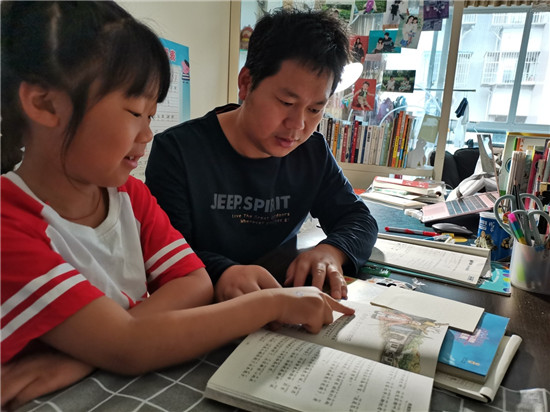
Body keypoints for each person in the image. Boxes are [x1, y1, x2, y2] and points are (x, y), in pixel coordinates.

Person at [0, 2, 354, 409]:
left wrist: (92, 351)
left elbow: (194, 283)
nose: (147, 134)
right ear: (45, 105)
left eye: (151, 115)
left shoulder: (129, 196)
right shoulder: (10, 222)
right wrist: (270, 304)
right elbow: (128, 345)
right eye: (136, 112)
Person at [146, 8, 378, 303]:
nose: (298, 125)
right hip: (206, 307)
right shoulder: (178, 152)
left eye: (314, 109)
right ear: (246, 83)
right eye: (286, 102)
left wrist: (332, 251)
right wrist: (224, 272)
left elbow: (358, 219)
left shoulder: (311, 151)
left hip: (285, 302)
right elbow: (167, 252)